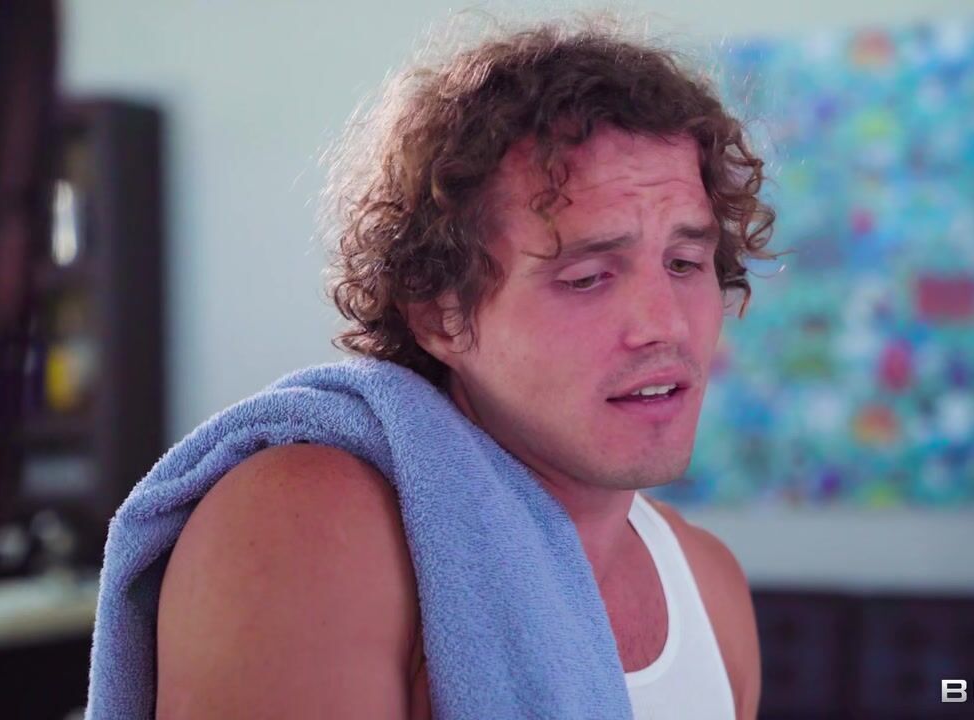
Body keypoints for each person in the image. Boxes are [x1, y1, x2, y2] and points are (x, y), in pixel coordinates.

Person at [152, 20, 776, 720]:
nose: (665, 325)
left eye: (685, 264)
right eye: (588, 277)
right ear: (439, 317)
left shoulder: (710, 589)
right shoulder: (307, 521)